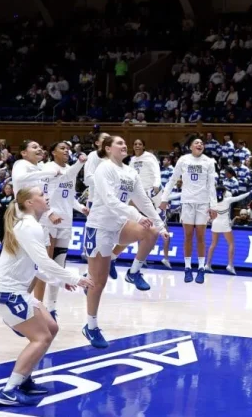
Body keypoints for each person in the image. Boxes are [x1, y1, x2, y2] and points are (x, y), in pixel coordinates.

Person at [0, 187, 93, 406]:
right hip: (8, 293)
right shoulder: (28, 226)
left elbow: (35, 265)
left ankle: (24, 379)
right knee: (41, 338)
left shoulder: (32, 225)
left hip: (15, 292)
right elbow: (44, 262)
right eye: (41, 195)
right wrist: (73, 278)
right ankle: (8, 391)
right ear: (29, 203)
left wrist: (60, 280)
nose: (46, 197)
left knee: (51, 328)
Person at [83, 136, 168, 348]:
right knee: (98, 283)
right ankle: (91, 326)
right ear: (108, 148)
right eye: (119, 143)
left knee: (152, 231)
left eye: (124, 143)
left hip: (120, 224)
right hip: (100, 226)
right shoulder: (104, 168)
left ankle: (133, 272)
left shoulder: (130, 171)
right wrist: (136, 216)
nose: (124, 145)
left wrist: (160, 223)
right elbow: (110, 200)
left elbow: (143, 201)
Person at [37, 141, 88, 320]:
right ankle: (37, 308)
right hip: (48, 220)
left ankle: (51, 308)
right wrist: (49, 213)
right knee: (45, 265)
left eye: (68, 148)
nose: (66, 150)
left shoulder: (69, 170)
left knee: (59, 267)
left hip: (66, 222)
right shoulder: (47, 168)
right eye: (62, 148)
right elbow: (41, 195)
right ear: (52, 152)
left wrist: (81, 208)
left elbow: (70, 196)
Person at [160, 136, 218, 284]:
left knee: (200, 236)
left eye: (201, 143)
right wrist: (164, 198)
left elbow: (211, 185)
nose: (200, 144)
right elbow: (173, 180)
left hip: (203, 203)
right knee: (188, 235)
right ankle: (187, 268)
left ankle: (200, 268)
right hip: (187, 202)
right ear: (190, 146)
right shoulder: (183, 160)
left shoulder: (209, 162)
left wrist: (214, 206)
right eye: (196, 142)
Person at [129, 139, 170, 269]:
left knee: (162, 224)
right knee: (140, 225)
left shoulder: (149, 157)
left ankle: (166, 257)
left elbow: (156, 171)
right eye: (135, 144)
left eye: (140, 144)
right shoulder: (132, 160)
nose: (137, 146)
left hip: (154, 192)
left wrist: (157, 184)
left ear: (144, 146)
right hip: (140, 194)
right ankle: (141, 257)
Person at [82, 132, 115, 277]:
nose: (108, 140)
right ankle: (89, 275)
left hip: (112, 202)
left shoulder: (114, 158)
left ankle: (111, 259)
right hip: (96, 201)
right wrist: (105, 182)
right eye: (104, 138)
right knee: (95, 241)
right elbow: (87, 179)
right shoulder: (94, 156)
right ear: (97, 143)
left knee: (113, 232)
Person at [207, 186, 252, 275]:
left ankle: (207, 264)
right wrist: (249, 193)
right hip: (225, 223)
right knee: (231, 244)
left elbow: (211, 214)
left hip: (215, 223)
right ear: (223, 193)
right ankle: (230, 265)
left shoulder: (212, 202)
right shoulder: (227, 200)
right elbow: (239, 197)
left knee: (213, 244)